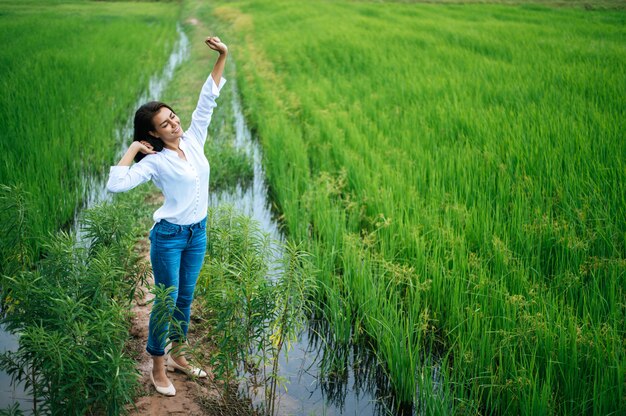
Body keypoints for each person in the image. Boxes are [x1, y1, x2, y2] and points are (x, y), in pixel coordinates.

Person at [106, 35, 228, 396]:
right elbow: (116, 185)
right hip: (169, 237)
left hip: (198, 233)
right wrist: (131, 150)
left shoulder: (194, 139)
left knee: (186, 299)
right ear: (152, 133)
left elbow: (208, 98)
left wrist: (223, 55)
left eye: (173, 117)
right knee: (166, 300)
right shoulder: (155, 162)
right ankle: (158, 367)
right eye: (165, 123)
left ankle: (179, 356)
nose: (174, 124)